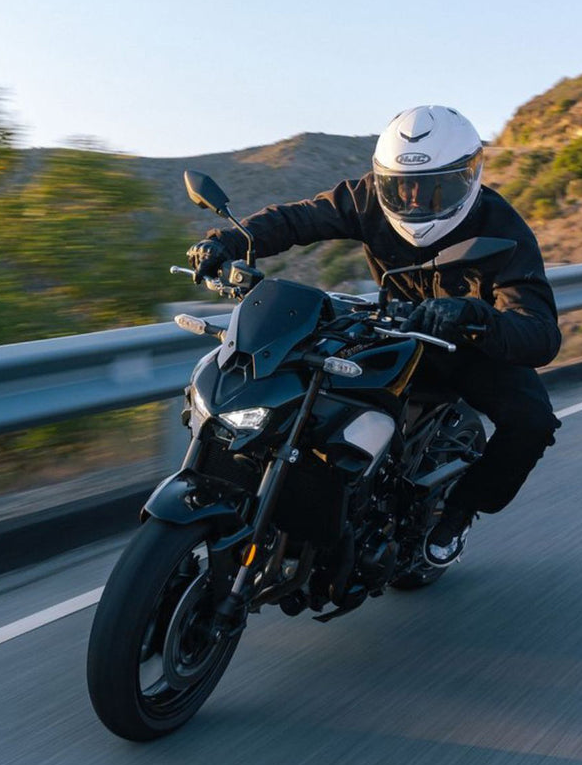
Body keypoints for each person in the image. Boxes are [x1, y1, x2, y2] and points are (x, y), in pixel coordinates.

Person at [187, 105, 561, 565]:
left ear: (469, 177)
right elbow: (299, 218)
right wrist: (226, 241)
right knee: (304, 386)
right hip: (388, 330)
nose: (415, 199)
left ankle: (459, 511)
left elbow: (539, 331)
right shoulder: (367, 198)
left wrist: (473, 315)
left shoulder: (501, 228)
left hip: (468, 346)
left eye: (434, 187)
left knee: (533, 422)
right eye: (401, 185)